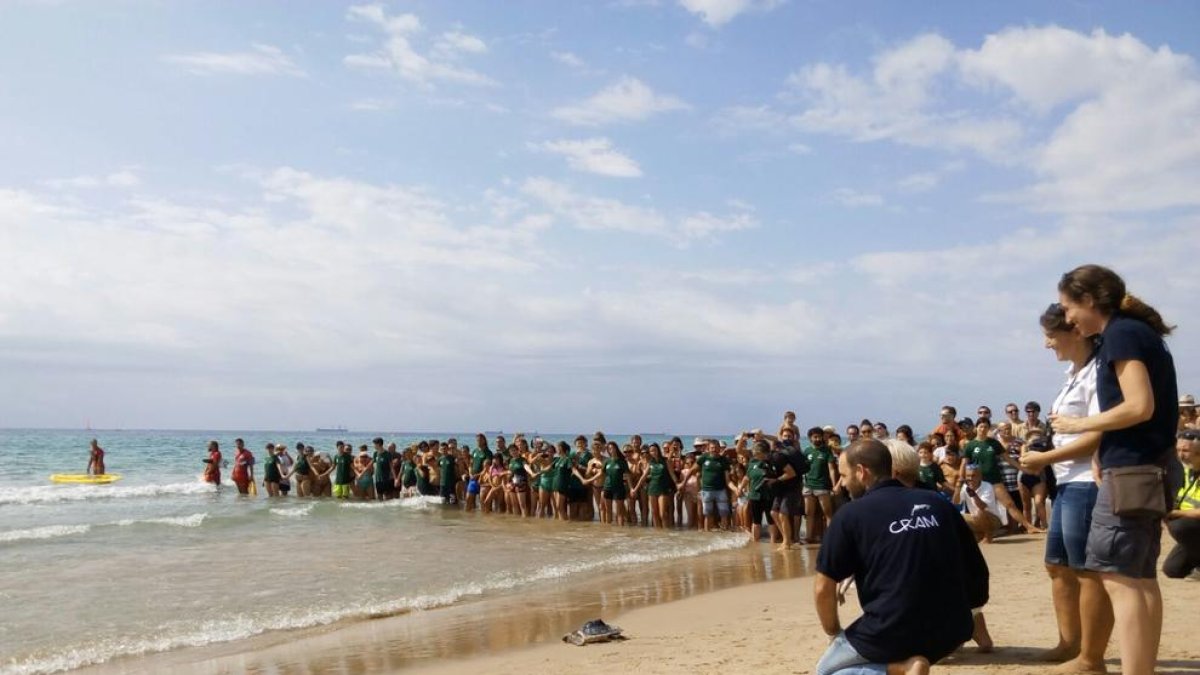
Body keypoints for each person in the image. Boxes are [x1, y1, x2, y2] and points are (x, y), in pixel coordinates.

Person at [1051, 264, 1178, 675]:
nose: (1067, 316)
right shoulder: (1135, 332)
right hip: (1146, 468)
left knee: (1119, 578)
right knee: (1138, 579)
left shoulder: (1121, 333)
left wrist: (1079, 425)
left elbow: (1140, 406)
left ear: (1089, 300)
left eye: (1068, 307)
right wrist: (1101, 446)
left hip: (1132, 473)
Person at [814, 440, 989, 675]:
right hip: (954, 629)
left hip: (895, 629)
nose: (842, 484)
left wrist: (834, 633)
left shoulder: (850, 514)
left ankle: (901, 668)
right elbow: (977, 568)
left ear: (861, 472)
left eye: (844, 476)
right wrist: (968, 613)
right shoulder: (937, 502)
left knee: (826, 670)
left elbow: (823, 587)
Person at [1018, 302, 1113, 670]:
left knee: (1086, 571)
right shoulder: (1076, 372)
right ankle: (1069, 644)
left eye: (1050, 336)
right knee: (1057, 565)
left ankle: (1091, 656)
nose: (1046, 344)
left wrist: (1043, 460)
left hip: (1085, 482)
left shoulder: (1097, 374)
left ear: (1075, 332)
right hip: (1068, 481)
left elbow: (1096, 436)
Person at [960, 418, 1042, 533]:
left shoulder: (994, 443)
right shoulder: (970, 445)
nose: (983, 429)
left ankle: (1029, 527)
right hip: (977, 482)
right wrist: (962, 479)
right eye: (980, 427)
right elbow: (964, 463)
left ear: (989, 428)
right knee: (976, 507)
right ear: (976, 428)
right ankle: (979, 533)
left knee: (1009, 504)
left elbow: (1009, 460)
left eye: (985, 427)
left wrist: (1025, 470)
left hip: (994, 480)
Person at [1163, 429, 1200, 579]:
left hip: (1191, 524)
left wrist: (1176, 513)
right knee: (1172, 570)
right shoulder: (1183, 471)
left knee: (1179, 526)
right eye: (1178, 450)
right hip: (1192, 527)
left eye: (1185, 451)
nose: (1180, 455)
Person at [954, 465, 1006, 543]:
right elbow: (956, 502)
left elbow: (982, 506)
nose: (971, 478)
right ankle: (979, 535)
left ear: (980, 476)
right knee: (955, 516)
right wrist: (957, 488)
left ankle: (988, 536)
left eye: (973, 475)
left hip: (993, 520)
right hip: (975, 518)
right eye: (968, 476)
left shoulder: (987, 486)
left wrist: (973, 494)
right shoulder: (964, 487)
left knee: (980, 512)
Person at [803, 427, 837, 544]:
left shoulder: (827, 450)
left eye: (819, 436)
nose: (817, 439)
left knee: (827, 513)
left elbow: (832, 469)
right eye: (815, 437)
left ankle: (830, 537)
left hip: (822, 486)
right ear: (810, 438)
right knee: (809, 513)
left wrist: (834, 485)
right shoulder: (807, 451)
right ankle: (808, 537)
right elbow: (803, 468)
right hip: (808, 486)